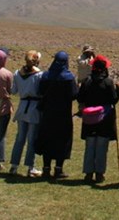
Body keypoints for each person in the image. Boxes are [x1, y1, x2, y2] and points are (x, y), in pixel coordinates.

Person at [35, 51, 78, 180]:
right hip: (63, 114)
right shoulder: (69, 78)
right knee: (62, 140)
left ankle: (46, 168)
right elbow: (74, 95)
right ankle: (58, 169)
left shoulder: (47, 76)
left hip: (48, 113)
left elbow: (41, 91)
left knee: (48, 138)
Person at [78, 54, 119, 183]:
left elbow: (80, 98)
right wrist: (118, 90)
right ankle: (99, 173)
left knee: (90, 145)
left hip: (90, 118)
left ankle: (88, 173)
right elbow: (113, 100)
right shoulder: (108, 82)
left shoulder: (87, 81)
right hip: (104, 119)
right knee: (102, 146)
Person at [10, 50, 43, 177]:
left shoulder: (18, 73)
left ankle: (14, 166)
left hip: (22, 106)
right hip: (34, 108)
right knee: (32, 139)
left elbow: (13, 91)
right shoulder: (39, 75)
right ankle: (31, 167)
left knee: (20, 138)